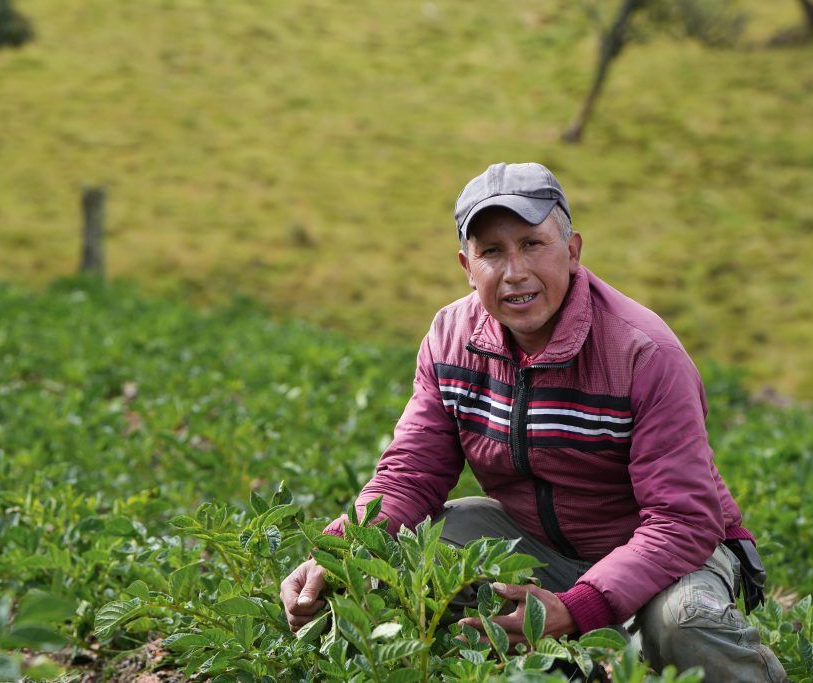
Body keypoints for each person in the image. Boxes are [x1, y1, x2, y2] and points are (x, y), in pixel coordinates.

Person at [280, 162, 786, 680]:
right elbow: (411, 473)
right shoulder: (450, 338)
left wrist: (576, 607)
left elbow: (683, 520)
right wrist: (340, 553)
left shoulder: (644, 352)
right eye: (492, 252)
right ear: (466, 266)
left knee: (681, 624)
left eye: (532, 244)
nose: (515, 272)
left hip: (670, 557)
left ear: (572, 251)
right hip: (538, 548)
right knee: (399, 559)